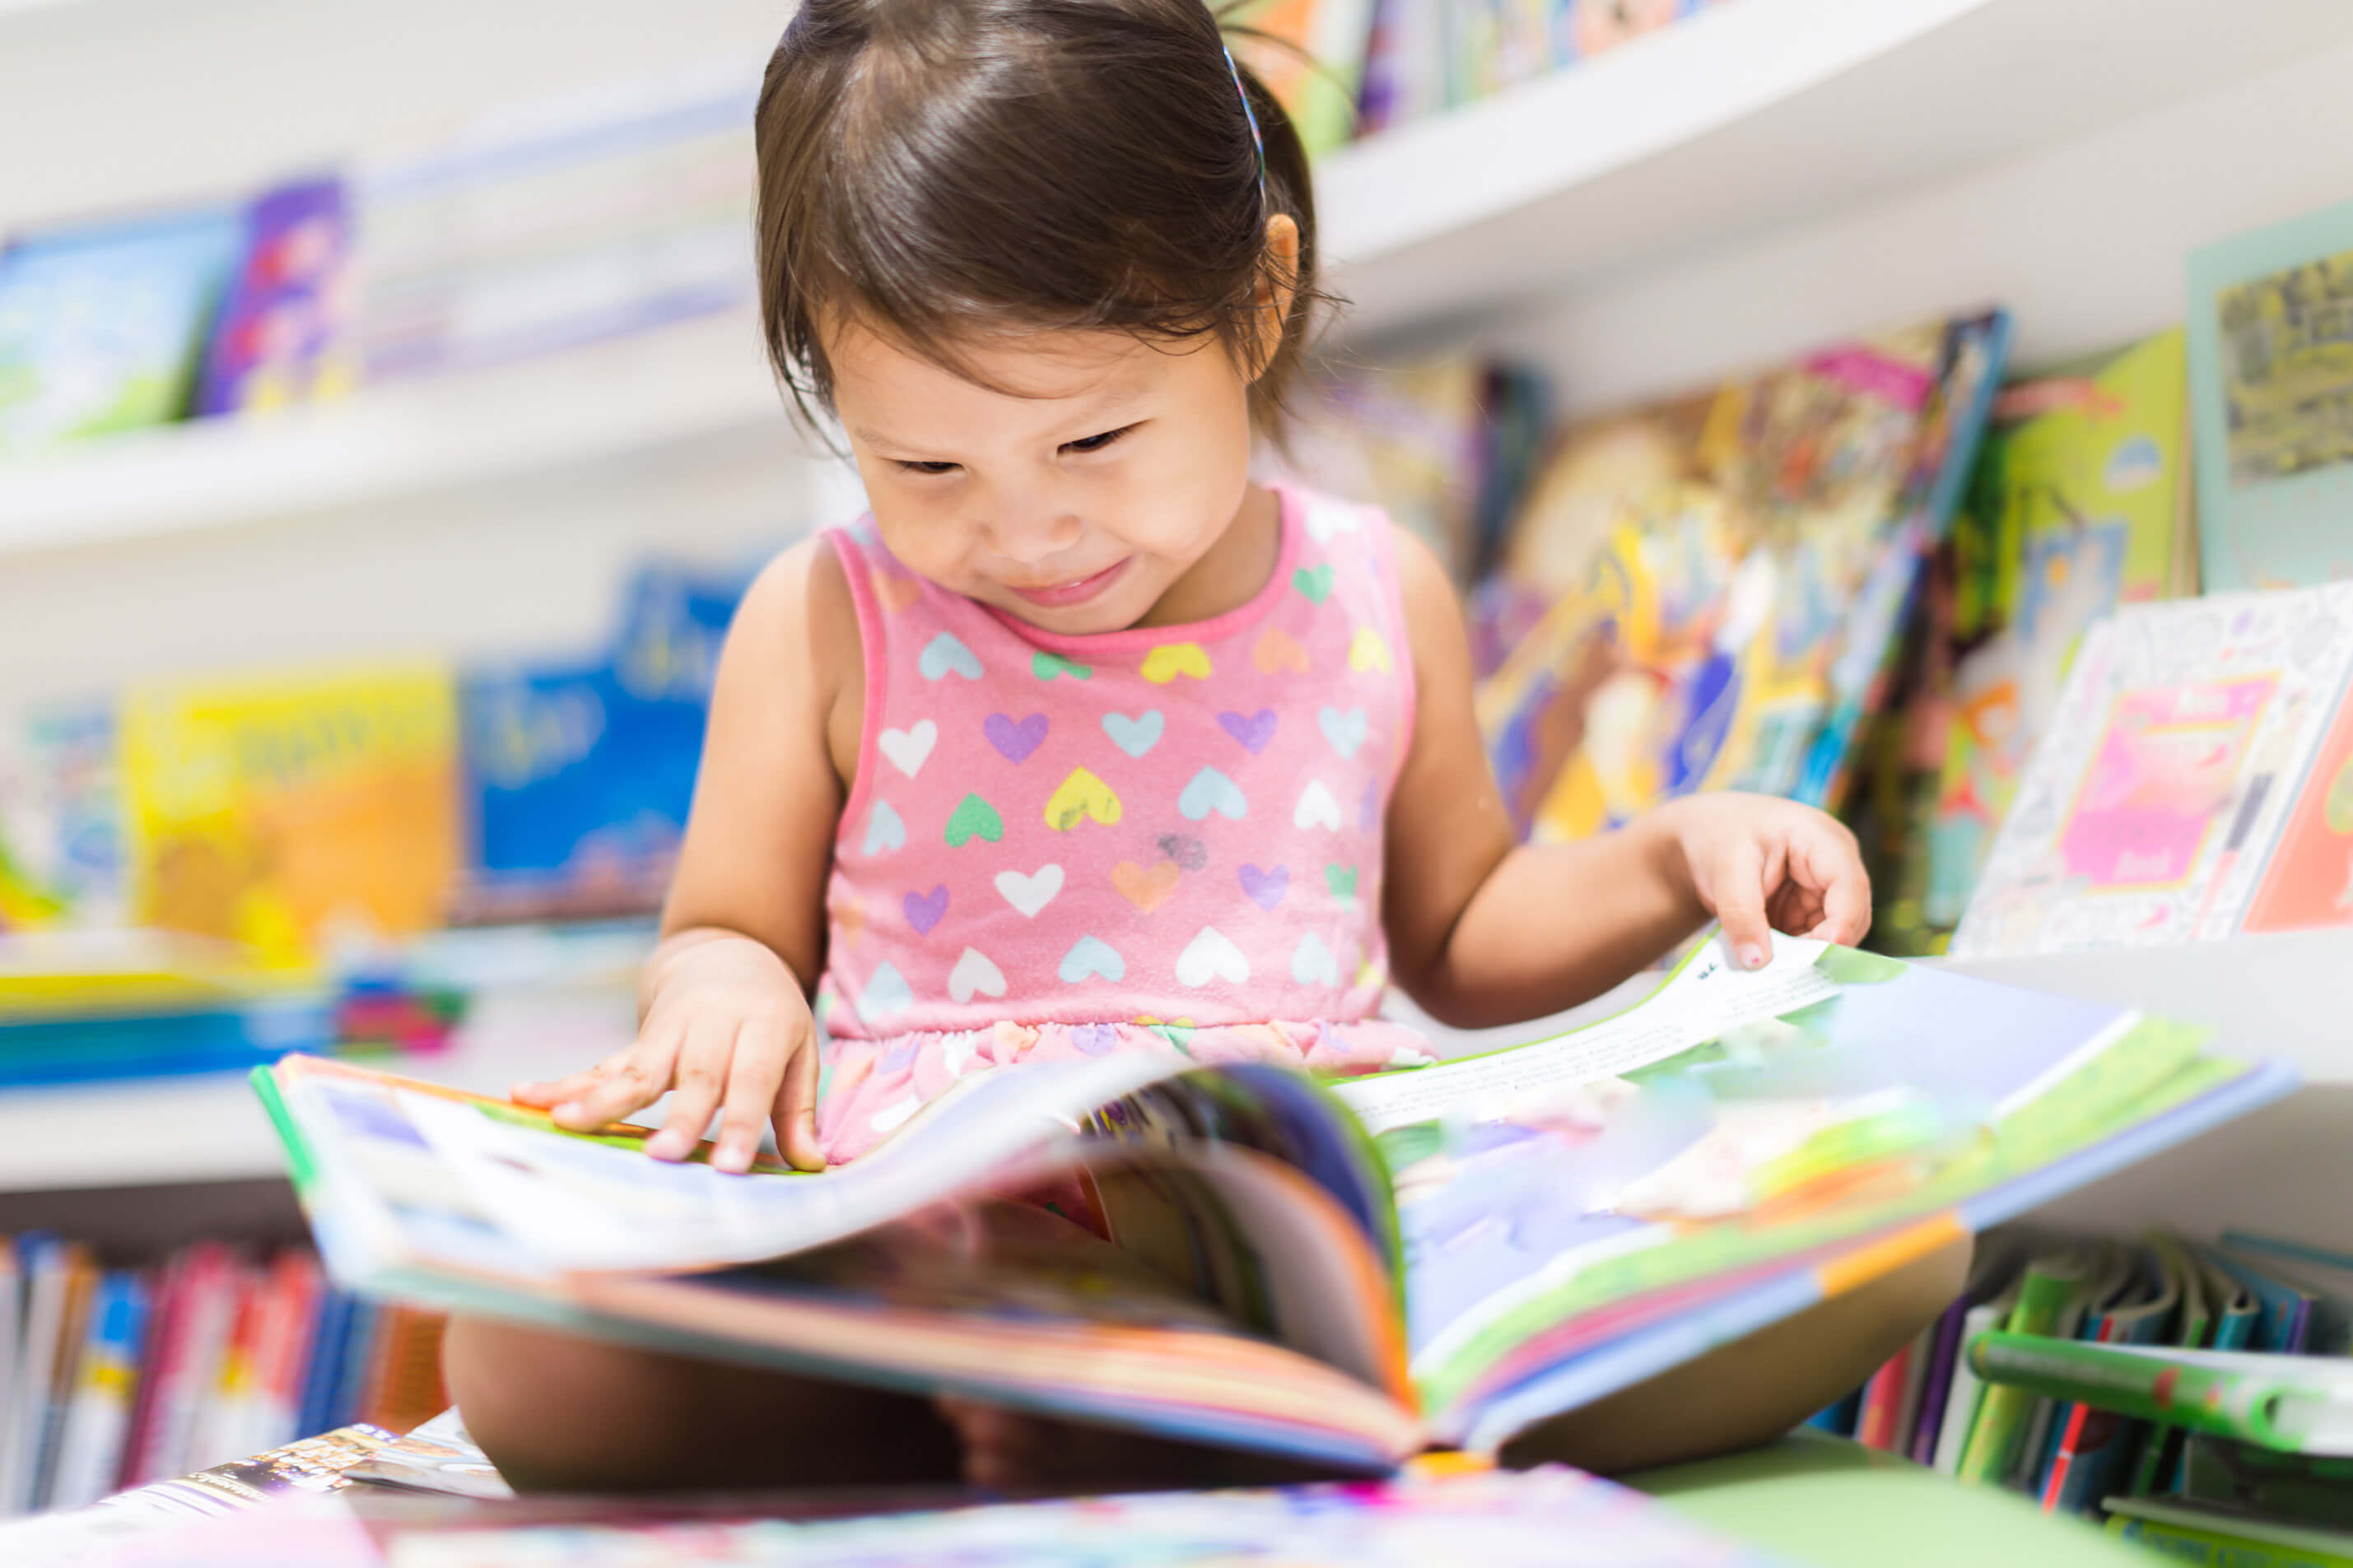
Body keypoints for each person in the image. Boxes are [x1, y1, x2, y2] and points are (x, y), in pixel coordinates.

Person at [444, 0, 1966, 1493]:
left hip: (1300, 1225)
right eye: (923, 463)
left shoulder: (1377, 592)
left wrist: (1670, 855)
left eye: (1092, 441)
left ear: (1257, 301)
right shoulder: (828, 618)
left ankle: (1170, 1411)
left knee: (1893, 1236)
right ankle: (1095, 1413)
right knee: (518, 1363)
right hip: (944, 1240)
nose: (1025, 528)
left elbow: (1459, 936)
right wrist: (721, 994)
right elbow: (724, 927)